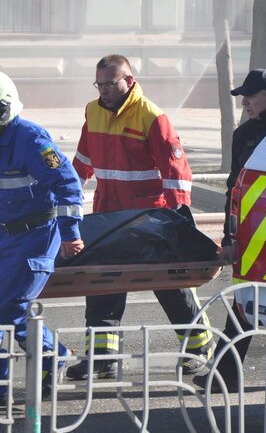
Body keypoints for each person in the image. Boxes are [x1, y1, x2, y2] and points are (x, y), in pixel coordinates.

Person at [67, 54, 214, 381]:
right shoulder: (92, 112)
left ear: (128, 81)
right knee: (102, 280)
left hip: (149, 217)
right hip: (108, 215)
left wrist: (180, 219)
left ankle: (198, 348)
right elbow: (82, 162)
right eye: (99, 84)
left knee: (168, 283)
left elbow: (176, 172)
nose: (103, 90)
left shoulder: (150, 115)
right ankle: (103, 358)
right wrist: (67, 200)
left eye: (110, 83)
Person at [0, 70, 85, 410]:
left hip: (36, 237)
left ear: (0, 109)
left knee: (11, 308)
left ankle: (53, 357)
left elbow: (68, 184)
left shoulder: (31, 140)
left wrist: (71, 233)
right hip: (3, 241)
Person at [194, 68, 266, 392]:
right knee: (243, 303)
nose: (245, 102)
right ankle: (226, 375)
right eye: (243, 96)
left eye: (251, 96)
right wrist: (229, 239)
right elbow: (234, 189)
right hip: (254, 235)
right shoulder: (243, 134)